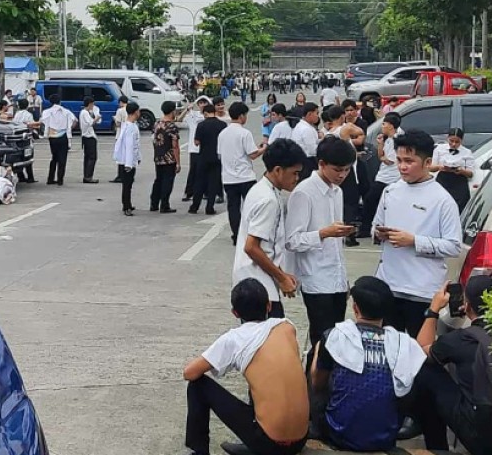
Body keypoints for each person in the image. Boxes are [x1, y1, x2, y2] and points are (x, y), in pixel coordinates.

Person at [182, 279, 309, 455]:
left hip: (270, 445)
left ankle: (199, 452)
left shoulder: (234, 338)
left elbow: (189, 372)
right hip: (300, 440)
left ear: (235, 313)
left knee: (198, 385)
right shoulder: (286, 327)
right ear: (269, 306)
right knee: (268, 378)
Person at [310, 276, 426, 452]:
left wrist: (320, 348)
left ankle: (316, 429)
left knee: (318, 366)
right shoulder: (404, 343)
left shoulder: (334, 336)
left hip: (339, 435)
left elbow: (317, 383)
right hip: (385, 437)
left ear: (355, 308)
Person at [373, 130, 462, 337]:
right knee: (389, 346)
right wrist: (380, 234)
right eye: (399, 160)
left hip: (421, 290)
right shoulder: (390, 191)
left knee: (419, 350)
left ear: (428, 162)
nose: (402, 166)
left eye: (409, 161)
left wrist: (414, 241)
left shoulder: (442, 200)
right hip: (388, 285)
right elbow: (375, 226)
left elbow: (453, 246)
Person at [412, 277, 492, 455]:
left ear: (467, 306)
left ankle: (437, 447)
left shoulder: (461, 339)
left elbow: (420, 350)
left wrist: (434, 309)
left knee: (426, 370)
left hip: (483, 439)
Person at [286, 136, 357, 348]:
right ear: (322, 164)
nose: (342, 175)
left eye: (347, 170)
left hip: (336, 278)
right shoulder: (304, 192)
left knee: (336, 339)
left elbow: (336, 245)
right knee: (321, 340)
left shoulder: (337, 191)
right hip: (315, 279)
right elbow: (292, 241)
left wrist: (343, 278)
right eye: (337, 170)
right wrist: (324, 233)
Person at [232, 139, 306, 318]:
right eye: (294, 173)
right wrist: (281, 278)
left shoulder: (262, 189)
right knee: (273, 333)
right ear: (278, 170)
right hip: (258, 288)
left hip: (254, 283)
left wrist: (281, 273)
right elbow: (251, 247)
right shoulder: (268, 200)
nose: (297, 178)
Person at [219, 102, 266, 244]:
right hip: (245, 177)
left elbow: (220, 154)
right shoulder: (245, 133)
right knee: (252, 207)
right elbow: (253, 154)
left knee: (233, 208)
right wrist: (264, 148)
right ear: (241, 116)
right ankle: (252, 234)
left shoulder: (222, 133)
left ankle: (236, 235)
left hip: (228, 178)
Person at [324, 105, 366, 246]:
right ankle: (349, 233)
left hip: (333, 171)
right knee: (351, 202)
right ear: (342, 116)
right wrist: (355, 138)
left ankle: (338, 229)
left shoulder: (328, 133)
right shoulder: (345, 129)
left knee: (338, 201)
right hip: (347, 170)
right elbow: (360, 132)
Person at [361, 113, 402, 239]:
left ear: (391, 126)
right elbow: (381, 157)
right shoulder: (388, 139)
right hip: (383, 175)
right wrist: (380, 144)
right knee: (373, 200)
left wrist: (384, 158)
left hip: (391, 178)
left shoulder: (397, 140)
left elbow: (389, 160)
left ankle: (367, 228)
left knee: (371, 200)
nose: (382, 126)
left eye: (384, 124)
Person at [190, 104, 228, 215]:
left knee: (199, 182)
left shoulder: (201, 125)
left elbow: (196, 142)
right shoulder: (222, 125)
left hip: (203, 157)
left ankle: (194, 207)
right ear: (214, 112)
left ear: (205, 113)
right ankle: (210, 207)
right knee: (213, 183)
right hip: (217, 157)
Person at [431, 128, 475, 212]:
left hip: (459, 182)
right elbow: (431, 168)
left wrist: (461, 171)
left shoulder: (467, 152)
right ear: (447, 138)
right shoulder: (439, 149)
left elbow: (471, 174)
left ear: (461, 140)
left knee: (459, 208)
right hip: (443, 180)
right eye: (451, 141)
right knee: (441, 206)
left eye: (457, 142)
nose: (454, 144)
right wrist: (440, 167)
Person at [150, 101, 180, 213]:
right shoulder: (172, 127)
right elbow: (175, 146)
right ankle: (164, 204)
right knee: (168, 181)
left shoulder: (156, 124)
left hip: (158, 156)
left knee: (158, 180)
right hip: (169, 158)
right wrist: (178, 162)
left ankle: (154, 203)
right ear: (172, 111)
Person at [40, 93, 77, 186]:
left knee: (54, 157)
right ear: (60, 101)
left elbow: (42, 122)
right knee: (62, 158)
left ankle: (50, 178)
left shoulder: (47, 112)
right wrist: (69, 128)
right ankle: (60, 180)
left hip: (52, 136)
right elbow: (75, 120)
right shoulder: (66, 111)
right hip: (63, 136)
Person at [112, 102, 141, 216]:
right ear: (135, 112)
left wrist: (138, 157)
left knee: (129, 183)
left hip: (129, 159)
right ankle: (126, 206)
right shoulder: (130, 128)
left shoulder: (130, 125)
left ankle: (128, 203)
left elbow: (136, 145)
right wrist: (128, 164)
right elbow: (129, 146)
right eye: (138, 111)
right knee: (127, 185)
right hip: (127, 161)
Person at [179, 96, 209, 201]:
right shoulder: (193, 115)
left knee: (206, 170)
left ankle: (206, 192)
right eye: (201, 103)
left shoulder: (210, 116)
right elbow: (179, 120)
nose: (203, 105)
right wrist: (187, 110)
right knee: (193, 171)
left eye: (205, 102)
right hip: (194, 148)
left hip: (207, 148)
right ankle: (189, 192)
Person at [290, 103, 320, 181]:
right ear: (309, 114)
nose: (318, 116)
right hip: (307, 163)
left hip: (300, 161)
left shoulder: (301, 126)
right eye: (316, 113)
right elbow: (313, 150)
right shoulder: (306, 129)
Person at [79, 96, 101, 184]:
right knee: (92, 157)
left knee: (88, 157)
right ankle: (88, 176)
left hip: (87, 136)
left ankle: (87, 175)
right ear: (90, 104)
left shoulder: (87, 112)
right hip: (89, 136)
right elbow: (90, 123)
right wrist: (97, 118)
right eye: (92, 104)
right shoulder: (84, 112)